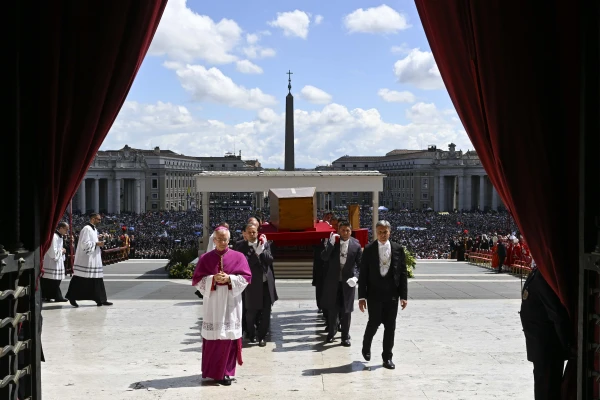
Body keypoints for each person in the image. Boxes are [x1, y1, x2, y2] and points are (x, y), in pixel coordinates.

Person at [192, 226, 252, 386]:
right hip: (213, 304)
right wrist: (212, 279)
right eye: (219, 239)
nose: (222, 242)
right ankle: (212, 371)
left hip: (231, 303)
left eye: (225, 239)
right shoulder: (205, 258)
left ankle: (225, 372)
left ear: (229, 239)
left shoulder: (238, 257)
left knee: (229, 338)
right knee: (214, 339)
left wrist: (230, 279)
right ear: (214, 239)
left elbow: (246, 277)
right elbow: (197, 280)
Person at [358, 220, 408, 370]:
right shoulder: (368, 249)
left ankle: (387, 357)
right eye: (380, 232)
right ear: (376, 232)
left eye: (385, 232)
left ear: (389, 232)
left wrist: (403, 296)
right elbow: (363, 275)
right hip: (374, 294)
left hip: (392, 295)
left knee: (390, 327)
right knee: (374, 323)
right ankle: (366, 345)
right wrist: (362, 297)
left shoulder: (398, 249)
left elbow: (403, 274)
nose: (382, 235)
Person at [520, 264, 572, 399]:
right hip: (539, 346)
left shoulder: (543, 277)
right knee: (543, 386)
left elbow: (556, 314)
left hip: (547, 347)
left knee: (547, 389)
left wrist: (567, 344)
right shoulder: (538, 272)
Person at [321, 221, 362, 346]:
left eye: (347, 230)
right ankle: (332, 333)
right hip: (333, 282)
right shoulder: (333, 242)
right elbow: (324, 257)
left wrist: (356, 278)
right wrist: (331, 244)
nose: (345, 233)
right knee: (333, 309)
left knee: (346, 310)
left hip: (348, 283)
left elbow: (360, 266)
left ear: (351, 231)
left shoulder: (356, 245)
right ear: (339, 230)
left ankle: (345, 336)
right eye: (343, 230)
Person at [235, 224, 277, 347]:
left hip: (265, 283)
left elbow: (270, 260)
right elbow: (243, 265)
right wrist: (255, 254)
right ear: (245, 234)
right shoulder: (240, 246)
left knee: (266, 311)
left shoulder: (264, 243)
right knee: (251, 312)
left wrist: (263, 250)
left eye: (254, 232)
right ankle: (251, 333)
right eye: (250, 232)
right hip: (251, 285)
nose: (252, 234)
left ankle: (262, 337)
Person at [65, 213, 113, 307]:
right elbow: (84, 244)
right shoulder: (86, 228)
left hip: (94, 258)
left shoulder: (94, 229)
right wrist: (97, 244)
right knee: (80, 278)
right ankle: (72, 297)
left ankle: (101, 299)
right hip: (86, 259)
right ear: (93, 219)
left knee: (97, 278)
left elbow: (92, 241)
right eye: (98, 219)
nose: (100, 221)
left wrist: (98, 240)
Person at [40, 221, 69, 302]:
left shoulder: (60, 236)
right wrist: (62, 251)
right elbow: (52, 251)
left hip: (57, 261)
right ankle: (57, 296)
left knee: (53, 280)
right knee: (53, 281)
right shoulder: (54, 236)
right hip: (51, 262)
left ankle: (48, 296)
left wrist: (61, 251)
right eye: (66, 229)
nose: (67, 231)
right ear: (60, 228)